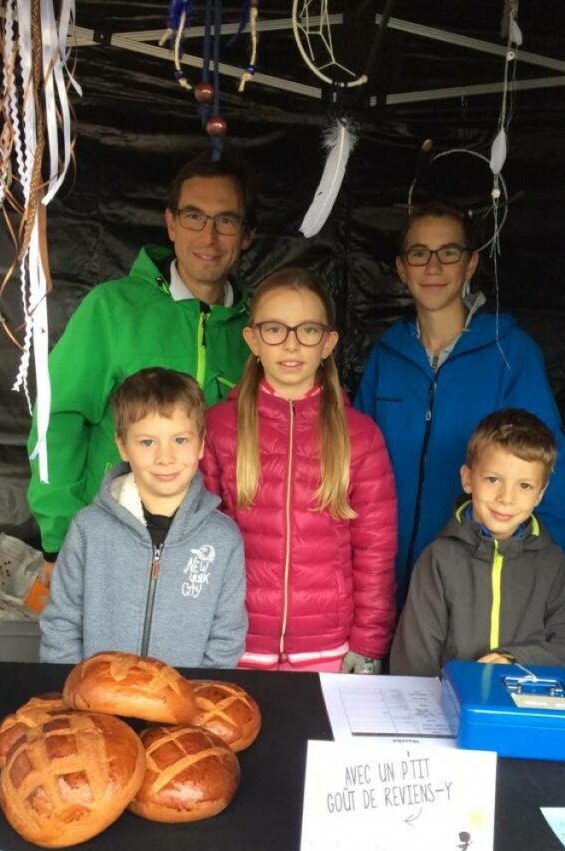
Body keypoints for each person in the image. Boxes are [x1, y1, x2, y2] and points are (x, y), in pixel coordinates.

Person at [27, 149, 257, 579]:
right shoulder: (112, 308)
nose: (209, 237)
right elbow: (56, 421)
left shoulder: (262, 334)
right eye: (194, 216)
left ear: (246, 235)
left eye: (226, 221)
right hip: (110, 553)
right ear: (171, 223)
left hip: (209, 564)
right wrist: (61, 539)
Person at [354, 201, 565, 602]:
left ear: (470, 264)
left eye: (448, 253)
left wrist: (530, 586)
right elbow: (351, 470)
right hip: (384, 585)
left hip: (475, 591)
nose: (433, 267)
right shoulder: (387, 356)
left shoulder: (510, 352)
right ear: (401, 268)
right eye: (419, 254)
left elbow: (549, 472)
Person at [200, 267, 397, 673]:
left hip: (328, 651)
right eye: (274, 329)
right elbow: (198, 545)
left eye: (308, 330)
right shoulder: (219, 428)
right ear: (252, 339)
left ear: (328, 343)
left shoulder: (361, 436)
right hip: (234, 646)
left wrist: (369, 644)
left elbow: (375, 552)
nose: (291, 345)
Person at [40, 368, 247, 667]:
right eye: (147, 442)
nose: (165, 457)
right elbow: (61, 623)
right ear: (123, 446)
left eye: (180, 440)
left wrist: (194, 693)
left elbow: (226, 637)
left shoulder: (223, 539)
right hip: (99, 695)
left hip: (182, 695)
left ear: (201, 443)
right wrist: (74, 687)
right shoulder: (88, 529)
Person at [390, 409, 565, 677]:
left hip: (526, 703)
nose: (506, 498)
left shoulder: (552, 564)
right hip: (450, 701)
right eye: (493, 479)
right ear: (468, 479)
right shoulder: (438, 560)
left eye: (524, 486)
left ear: (540, 494)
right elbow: (413, 663)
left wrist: (516, 660)